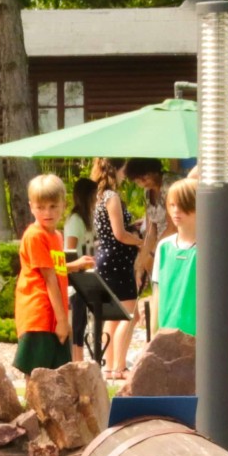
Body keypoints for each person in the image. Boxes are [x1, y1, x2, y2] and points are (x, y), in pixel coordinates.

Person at [12, 173, 89, 373]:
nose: (47, 212)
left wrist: (74, 265)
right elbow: (49, 278)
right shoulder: (35, 235)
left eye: (53, 206)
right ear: (31, 206)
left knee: (57, 376)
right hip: (39, 315)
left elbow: (55, 268)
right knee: (37, 376)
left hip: (53, 315)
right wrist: (63, 321)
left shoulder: (56, 236)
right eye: (41, 207)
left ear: (64, 204)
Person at [91, 158, 142, 379]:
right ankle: (119, 366)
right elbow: (119, 234)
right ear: (118, 169)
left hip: (105, 259)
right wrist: (141, 241)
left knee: (112, 317)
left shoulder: (99, 196)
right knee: (130, 315)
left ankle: (109, 366)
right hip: (117, 262)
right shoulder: (112, 197)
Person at [152, 178, 199, 336]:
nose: (176, 211)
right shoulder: (164, 247)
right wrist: (153, 334)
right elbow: (157, 293)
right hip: (166, 333)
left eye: (183, 205)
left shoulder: (210, 248)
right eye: (172, 205)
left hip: (199, 336)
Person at [127, 159, 167, 338]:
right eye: (138, 180)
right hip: (158, 244)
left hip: (173, 243)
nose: (142, 182)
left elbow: (173, 226)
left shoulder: (169, 186)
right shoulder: (147, 193)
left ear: (155, 171)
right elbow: (151, 229)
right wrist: (141, 262)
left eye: (144, 177)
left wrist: (153, 255)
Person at [65, 177, 97, 361]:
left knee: (83, 322)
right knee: (77, 322)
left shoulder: (86, 219)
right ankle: (76, 360)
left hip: (86, 274)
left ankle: (80, 358)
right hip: (76, 276)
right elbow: (70, 249)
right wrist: (78, 264)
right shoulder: (76, 220)